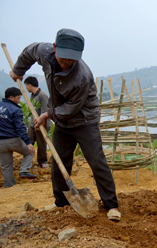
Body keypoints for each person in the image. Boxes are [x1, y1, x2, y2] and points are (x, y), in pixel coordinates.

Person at [9, 28, 121, 221]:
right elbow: (29, 51)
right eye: (64, 57)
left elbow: (72, 108)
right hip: (61, 120)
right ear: (54, 48)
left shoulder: (82, 76)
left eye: (72, 59)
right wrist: (18, 70)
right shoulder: (44, 52)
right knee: (59, 162)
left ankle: (111, 205)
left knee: (97, 161)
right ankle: (61, 202)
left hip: (84, 120)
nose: (67, 62)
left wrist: (46, 115)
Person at [0, 87, 37, 187]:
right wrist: (29, 143)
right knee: (30, 152)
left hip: (1, 143)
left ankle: (10, 188)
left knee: (6, 167)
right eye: (18, 98)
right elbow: (20, 128)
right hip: (13, 140)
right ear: (11, 97)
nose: (19, 101)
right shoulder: (16, 110)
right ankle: (24, 170)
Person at [24, 76, 50, 168]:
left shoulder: (42, 96)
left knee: (41, 143)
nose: (26, 88)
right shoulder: (33, 96)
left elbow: (45, 111)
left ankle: (42, 161)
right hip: (32, 123)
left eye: (26, 86)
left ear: (30, 85)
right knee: (29, 141)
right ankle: (27, 162)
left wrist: (41, 124)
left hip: (42, 124)